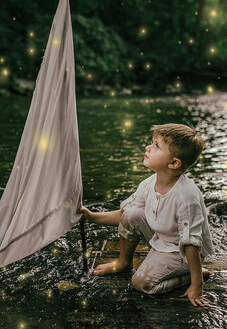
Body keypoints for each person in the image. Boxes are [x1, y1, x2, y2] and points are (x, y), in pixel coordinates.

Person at [79, 123, 215, 307]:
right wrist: (92, 217)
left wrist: (196, 285)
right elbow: (124, 215)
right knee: (131, 214)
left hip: (181, 253)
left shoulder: (186, 197)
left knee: (141, 283)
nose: (148, 147)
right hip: (161, 239)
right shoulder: (150, 183)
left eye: (157, 146)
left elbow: (191, 244)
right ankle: (123, 263)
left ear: (174, 163)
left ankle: (191, 275)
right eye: (152, 143)